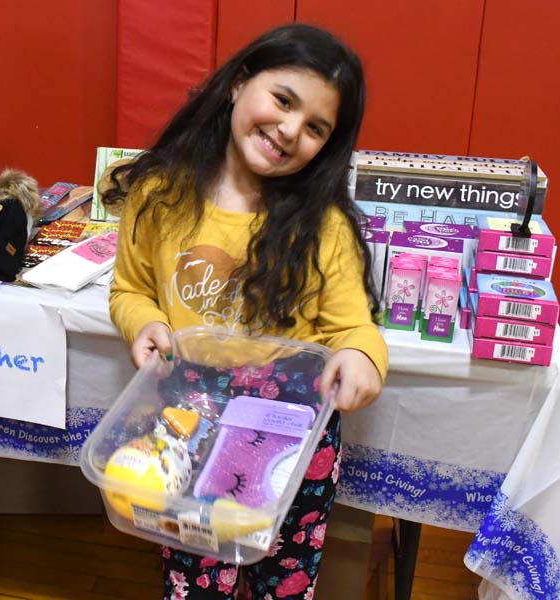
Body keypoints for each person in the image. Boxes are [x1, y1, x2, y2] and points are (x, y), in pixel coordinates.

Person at [104, 22, 388, 600]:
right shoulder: (159, 195)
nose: (289, 130)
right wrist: (145, 323)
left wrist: (362, 356)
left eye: (315, 128)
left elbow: (354, 325)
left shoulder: (323, 228)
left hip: (286, 440)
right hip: (188, 427)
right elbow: (130, 289)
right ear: (238, 84)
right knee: (194, 582)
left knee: (281, 585)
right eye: (283, 100)